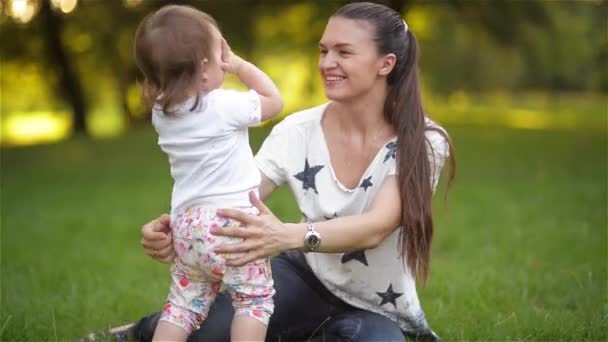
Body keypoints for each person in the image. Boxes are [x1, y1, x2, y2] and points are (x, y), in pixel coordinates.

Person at [124, 2, 455, 341]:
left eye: (344, 52)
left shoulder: (424, 141)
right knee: (206, 333)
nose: (327, 63)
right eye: (323, 50)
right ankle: (140, 330)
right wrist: (173, 227)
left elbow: (376, 227)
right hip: (302, 278)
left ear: (386, 64)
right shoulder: (297, 129)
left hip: (376, 306)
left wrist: (288, 235)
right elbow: (234, 193)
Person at [132, 4, 283, 342]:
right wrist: (241, 66)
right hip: (232, 225)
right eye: (220, 58)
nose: (225, 65)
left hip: (186, 228)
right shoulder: (223, 106)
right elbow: (273, 101)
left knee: (182, 307)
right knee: (253, 300)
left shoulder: (161, 114)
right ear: (203, 69)